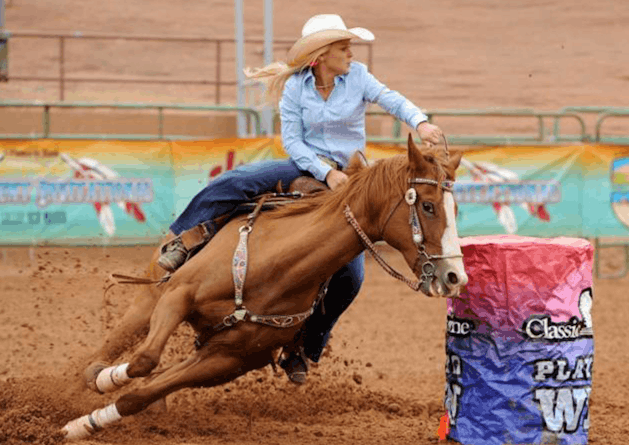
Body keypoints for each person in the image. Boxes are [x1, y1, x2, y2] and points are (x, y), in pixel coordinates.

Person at [157, 13, 445, 384]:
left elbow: (391, 100)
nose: (351, 54)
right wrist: (326, 173)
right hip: (305, 167)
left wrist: (420, 122)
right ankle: (185, 239)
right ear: (322, 55)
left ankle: (305, 346)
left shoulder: (357, 77)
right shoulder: (296, 87)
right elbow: (292, 141)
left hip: (352, 178)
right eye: (344, 48)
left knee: (351, 277)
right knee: (234, 182)